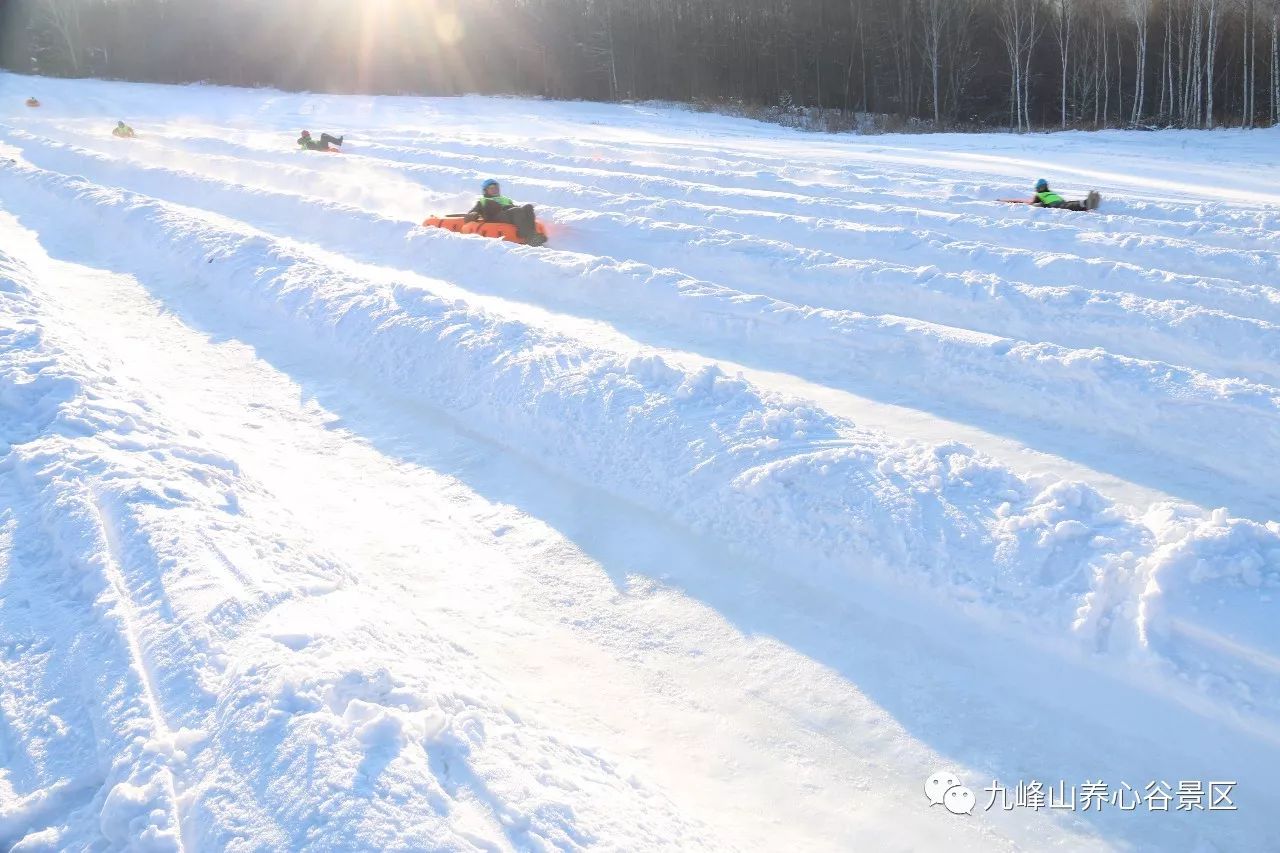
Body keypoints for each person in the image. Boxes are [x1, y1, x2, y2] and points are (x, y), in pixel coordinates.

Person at [464, 178, 546, 245]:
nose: (495, 190)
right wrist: (473, 215)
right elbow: (471, 213)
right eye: (491, 188)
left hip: (508, 215)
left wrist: (524, 212)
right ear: (485, 191)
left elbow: (516, 209)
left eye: (496, 188)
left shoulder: (505, 199)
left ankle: (533, 235)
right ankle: (529, 237)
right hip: (495, 217)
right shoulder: (483, 201)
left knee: (528, 207)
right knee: (515, 210)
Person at [1003, 179, 1100, 212]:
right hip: (1058, 203)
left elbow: (1030, 203)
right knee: (1069, 205)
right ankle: (1086, 203)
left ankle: (1087, 203)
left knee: (1069, 205)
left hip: (1056, 204)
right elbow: (1032, 203)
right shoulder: (1047, 193)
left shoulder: (1042, 194)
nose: (1041, 189)